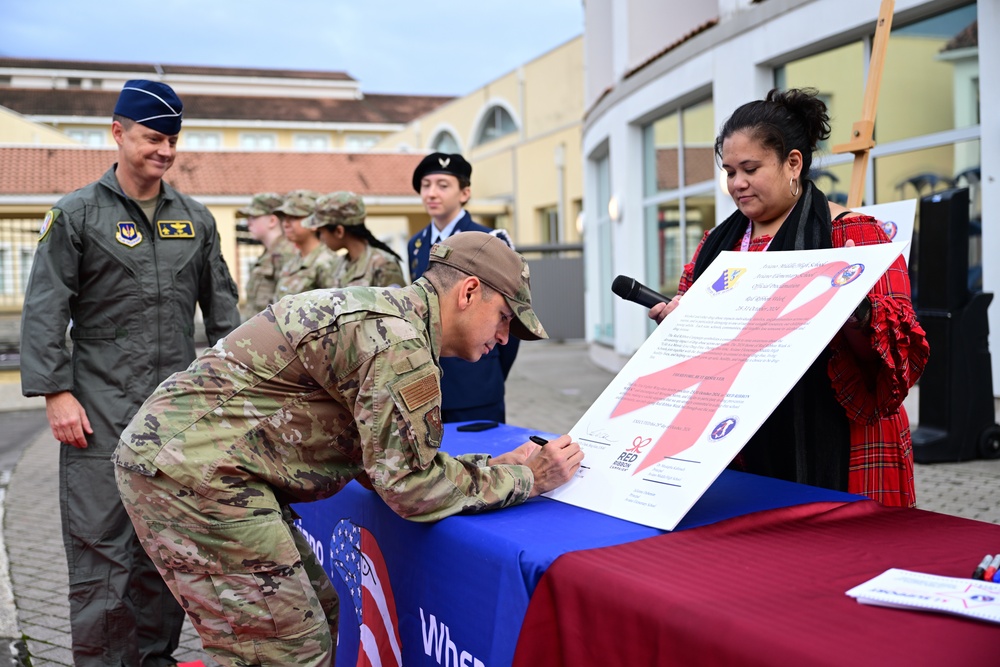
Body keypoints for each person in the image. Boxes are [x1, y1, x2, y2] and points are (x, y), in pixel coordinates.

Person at [113, 231, 584, 666]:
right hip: (196, 478)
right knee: (284, 651)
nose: (503, 338)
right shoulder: (398, 344)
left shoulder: (392, 321)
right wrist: (530, 479)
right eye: (504, 318)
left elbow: (384, 463)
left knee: (318, 606)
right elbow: (408, 488)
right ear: (468, 292)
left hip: (200, 466)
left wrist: (491, 466)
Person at [19, 79, 241, 666]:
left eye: (172, 139)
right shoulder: (75, 214)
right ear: (117, 133)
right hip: (99, 413)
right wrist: (56, 393)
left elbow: (224, 315)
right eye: (152, 138)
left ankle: (154, 658)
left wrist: (240, 394)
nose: (164, 150)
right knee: (103, 556)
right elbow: (46, 307)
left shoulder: (195, 219)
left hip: (176, 418)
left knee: (162, 549)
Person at [649, 88, 929, 507]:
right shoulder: (718, 244)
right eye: (729, 172)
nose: (737, 184)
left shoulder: (852, 234)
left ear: (793, 162)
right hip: (739, 440)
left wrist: (857, 312)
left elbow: (898, 362)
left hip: (841, 445)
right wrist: (681, 326)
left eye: (749, 168)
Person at [407, 152, 520, 423]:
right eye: (426, 185)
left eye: (443, 185)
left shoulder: (490, 241)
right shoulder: (417, 244)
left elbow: (512, 319)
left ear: (464, 192)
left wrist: (488, 372)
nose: (432, 193)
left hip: (474, 389)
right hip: (426, 385)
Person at [303, 190, 406, 288]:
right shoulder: (337, 265)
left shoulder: (383, 266)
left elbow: (398, 305)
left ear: (339, 231)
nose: (321, 238)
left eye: (320, 232)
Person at [238, 191, 296, 319]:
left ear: (272, 220)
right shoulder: (268, 254)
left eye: (253, 217)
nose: (248, 223)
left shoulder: (287, 254)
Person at [274, 188, 341, 298]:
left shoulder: (327, 263)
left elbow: (335, 308)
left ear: (313, 223)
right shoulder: (293, 262)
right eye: (285, 218)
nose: (285, 224)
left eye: (294, 217)